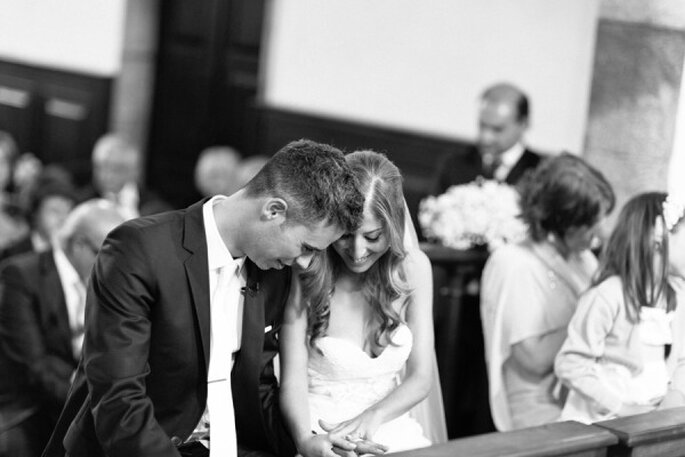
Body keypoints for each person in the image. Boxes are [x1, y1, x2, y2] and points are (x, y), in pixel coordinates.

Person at [42, 139, 364, 457]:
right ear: (273, 210)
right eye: (307, 247)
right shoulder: (139, 249)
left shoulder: (273, 270)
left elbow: (258, 384)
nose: (305, 262)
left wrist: (304, 443)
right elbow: (119, 400)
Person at [280, 150, 445, 457]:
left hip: (390, 426)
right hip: (319, 431)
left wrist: (372, 418)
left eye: (372, 236)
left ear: (393, 227)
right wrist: (306, 441)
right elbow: (291, 381)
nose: (356, 251)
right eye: (346, 234)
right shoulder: (307, 272)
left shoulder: (414, 270)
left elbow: (421, 377)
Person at [480, 153, 615, 431]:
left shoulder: (583, 258)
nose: (601, 232)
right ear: (561, 220)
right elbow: (533, 359)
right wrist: (595, 314)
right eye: (591, 223)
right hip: (539, 407)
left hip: (583, 392)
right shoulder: (514, 263)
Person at [0, 199, 125, 457]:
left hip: (82, 400)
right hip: (31, 406)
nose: (116, 267)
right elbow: (34, 365)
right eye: (108, 255)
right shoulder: (21, 275)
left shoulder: (107, 282)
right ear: (79, 245)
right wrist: (86, 402)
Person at [555, 192, 685, 424]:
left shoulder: (676, 295)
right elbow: (570, 364)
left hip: (649, 418)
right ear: (656, 240)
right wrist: (621, 408)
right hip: (601, 422)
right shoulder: (609, 295)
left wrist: (673, 396)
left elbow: (680, 360)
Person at [433, 82, 543, 196]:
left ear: (523, 124)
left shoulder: (540, 174)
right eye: (482, 126)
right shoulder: (455, 164)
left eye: (497, 129)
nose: (486, 138)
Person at [80, 133, 172, 219]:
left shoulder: (157, 211)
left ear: (134, 172)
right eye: (100, 167)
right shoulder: (81, 202)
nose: (107, 176)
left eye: (117, 169)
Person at [0, 167, 77, 261]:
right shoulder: (12, 255)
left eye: (68, 212)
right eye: (55, 211)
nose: (63, 218)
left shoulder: (76, 255)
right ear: (35, 212)